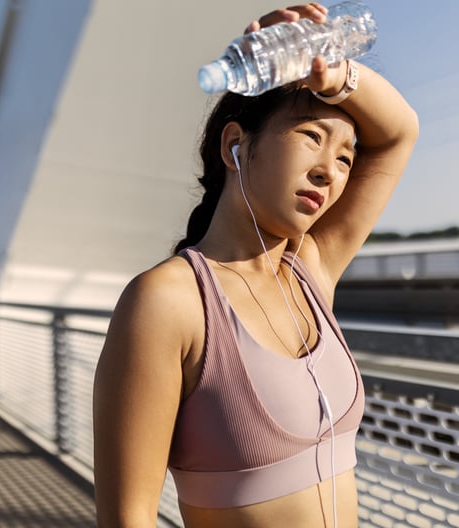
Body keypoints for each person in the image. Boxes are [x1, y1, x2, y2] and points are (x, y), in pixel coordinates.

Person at [93, 3, 418, 527]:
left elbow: (400, 132)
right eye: (312, 137)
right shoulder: (169, 300)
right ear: (236, 145)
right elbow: (128, 517)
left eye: (344, 158)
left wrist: (336, 75)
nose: (328, 173)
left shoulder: (308, 270)